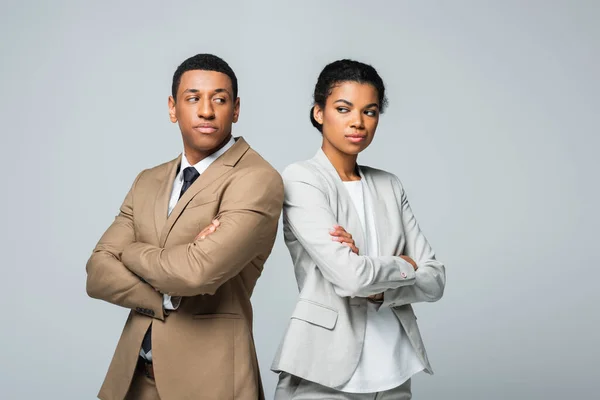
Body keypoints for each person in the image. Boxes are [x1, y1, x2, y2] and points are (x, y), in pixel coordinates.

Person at [86, 53, 283, 400]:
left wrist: (128, 252)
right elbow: (97, 273)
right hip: (133, 379)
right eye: (193, 98)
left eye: (219, 100)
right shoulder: (147, 181)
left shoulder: (257, 179)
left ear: (235, 109)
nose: (206, 111)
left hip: (211, 382)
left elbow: (196, 273)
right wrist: (167, 288)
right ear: (173, 107)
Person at [271, 59, 446, 399]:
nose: (358, 122)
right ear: (318, 113)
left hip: (395, 371)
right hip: (324, 371)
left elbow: (436, 279)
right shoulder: (301, 178)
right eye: (343, 108)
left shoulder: (389, 185)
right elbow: (350, 278)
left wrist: (377, 286)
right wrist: (405, 265)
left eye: (370, 111)